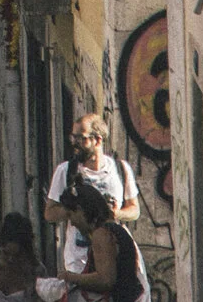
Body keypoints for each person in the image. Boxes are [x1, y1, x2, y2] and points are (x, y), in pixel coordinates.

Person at [46, 109, 138, 278]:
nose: (75, 143)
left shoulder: (120, 169)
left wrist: (116, 213)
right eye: (73, 137)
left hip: (114, 256)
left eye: (81, 138)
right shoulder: (66, 171)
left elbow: (134, 210)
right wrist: (75, 210)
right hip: (79, 259)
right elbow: (50, 213)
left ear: (97, 140)